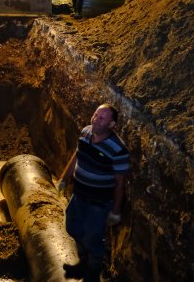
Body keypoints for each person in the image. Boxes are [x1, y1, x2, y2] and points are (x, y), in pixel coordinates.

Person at [58, 104, 129, 281]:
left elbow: (120, 183)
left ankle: (93, 272)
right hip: (79, 195)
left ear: (112, 124)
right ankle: (83, 264)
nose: (96, 119)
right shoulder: (85, 132)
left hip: (99, 203)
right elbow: (77, 156)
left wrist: (116, 212)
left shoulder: (118, 149)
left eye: (102, 118)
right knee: (72, 227)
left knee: (92, 238)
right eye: (96, 115)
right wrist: (64, 179)